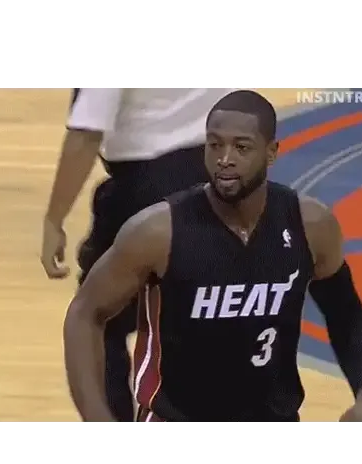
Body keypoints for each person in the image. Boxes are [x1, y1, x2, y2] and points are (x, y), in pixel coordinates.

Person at [63, 90, 362, 424]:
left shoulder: (309, 225)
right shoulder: (158, 232)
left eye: (241, 148)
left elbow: (347, 314)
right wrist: (98, 417)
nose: (225, 159)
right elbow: (85, 313)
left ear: (271, 152)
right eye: (215, 145)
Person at [42, 88, 236, 423]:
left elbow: (86, 133)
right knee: (204, 321)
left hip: (149, 186)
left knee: (97, 321)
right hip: (223, 180)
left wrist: (53, 219)